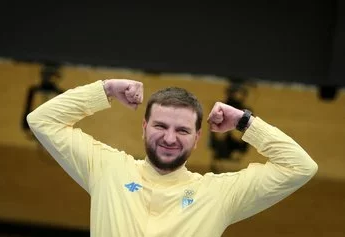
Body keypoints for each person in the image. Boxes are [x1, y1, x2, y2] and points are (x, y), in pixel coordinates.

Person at [27, 79, 318, 237]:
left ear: (197, 138)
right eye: (160, 126)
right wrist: (106, 90)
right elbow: (42, 121)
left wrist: (245, 123)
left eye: (182, 130)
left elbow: (300, 167)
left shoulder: (218, 194)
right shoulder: (107, 169)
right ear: (144, 128)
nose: (169, 138)